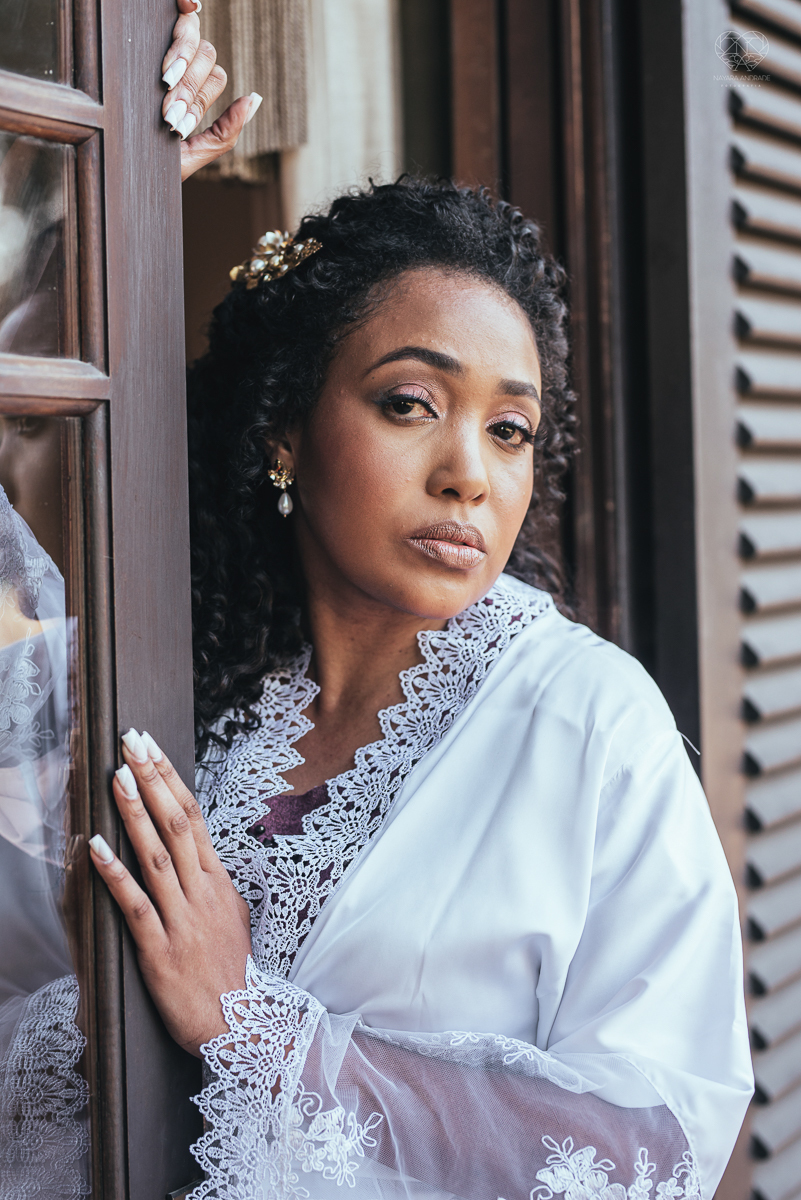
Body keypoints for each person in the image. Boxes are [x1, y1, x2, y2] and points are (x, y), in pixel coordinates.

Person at [86, 6, 754, 1198]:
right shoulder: (188, 686)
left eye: (511, 431)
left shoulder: (592, 725)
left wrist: (256, 1029)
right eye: (409, 403)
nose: (471, 474)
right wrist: (89, 201)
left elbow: (653, 1147)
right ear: (286, 425)